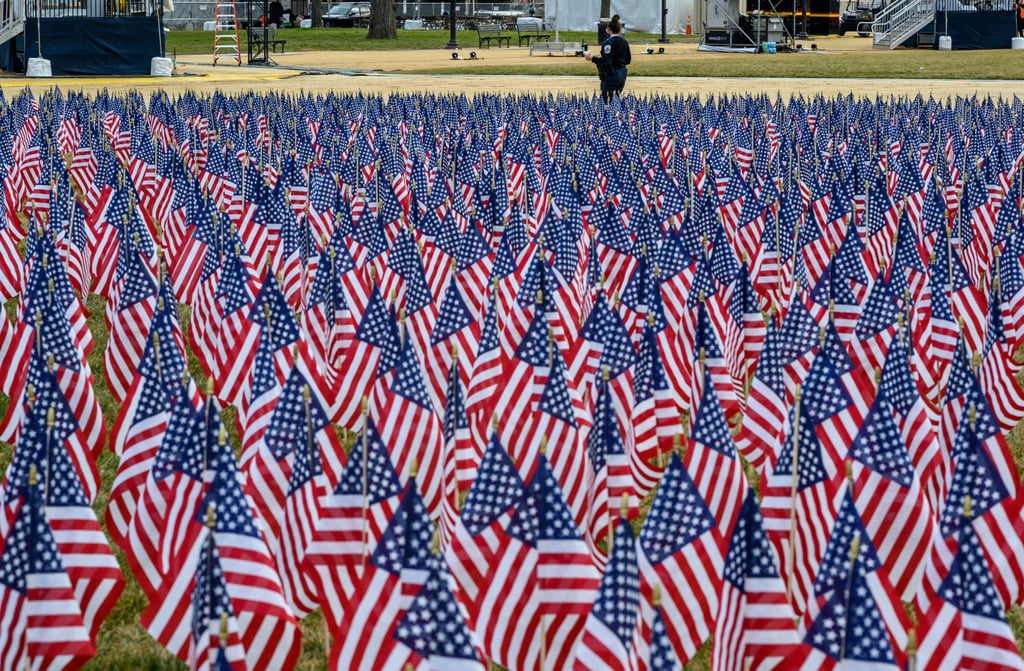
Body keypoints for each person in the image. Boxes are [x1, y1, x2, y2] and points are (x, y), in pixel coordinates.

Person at [585, 14, 631, 103]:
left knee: (606, 102)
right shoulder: (625, 42)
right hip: (623, 73)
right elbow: (628, 60)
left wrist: (592, 59)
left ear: (609, 30)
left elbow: (607, 61)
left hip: (611, 74)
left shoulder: (609, 43)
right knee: (616, 100)